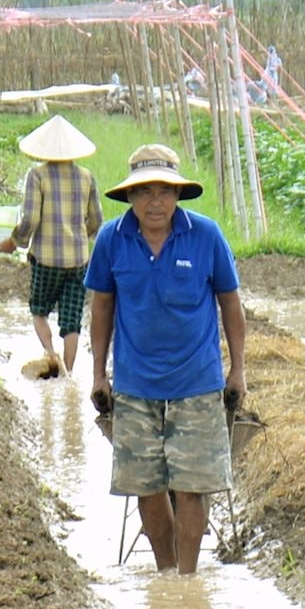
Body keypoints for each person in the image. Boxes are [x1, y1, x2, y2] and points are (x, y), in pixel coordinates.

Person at [85, 145, 246, 576]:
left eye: (164, 191)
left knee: (192, 488)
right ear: (130, 197)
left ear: (178, 195)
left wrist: (238, 369)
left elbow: (230, 303)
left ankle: (187, 578)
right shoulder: (111, 239)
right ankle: (167, 572)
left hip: (197, 381)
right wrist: (99, 374)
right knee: (148, 488)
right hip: (136, 385)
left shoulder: (206, 236)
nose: (155, 202)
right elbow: (102, 306)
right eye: (144, 192)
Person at [0, 114, 103, 380]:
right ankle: (68, 375)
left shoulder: (37, 175)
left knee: (39, 310)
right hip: (78, 260)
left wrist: (14, 241)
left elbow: (30, 218)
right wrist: (82, 235)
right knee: (72, 319)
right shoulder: (86, 177)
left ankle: (50, 354)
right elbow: (97, 219)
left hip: (45, 259)